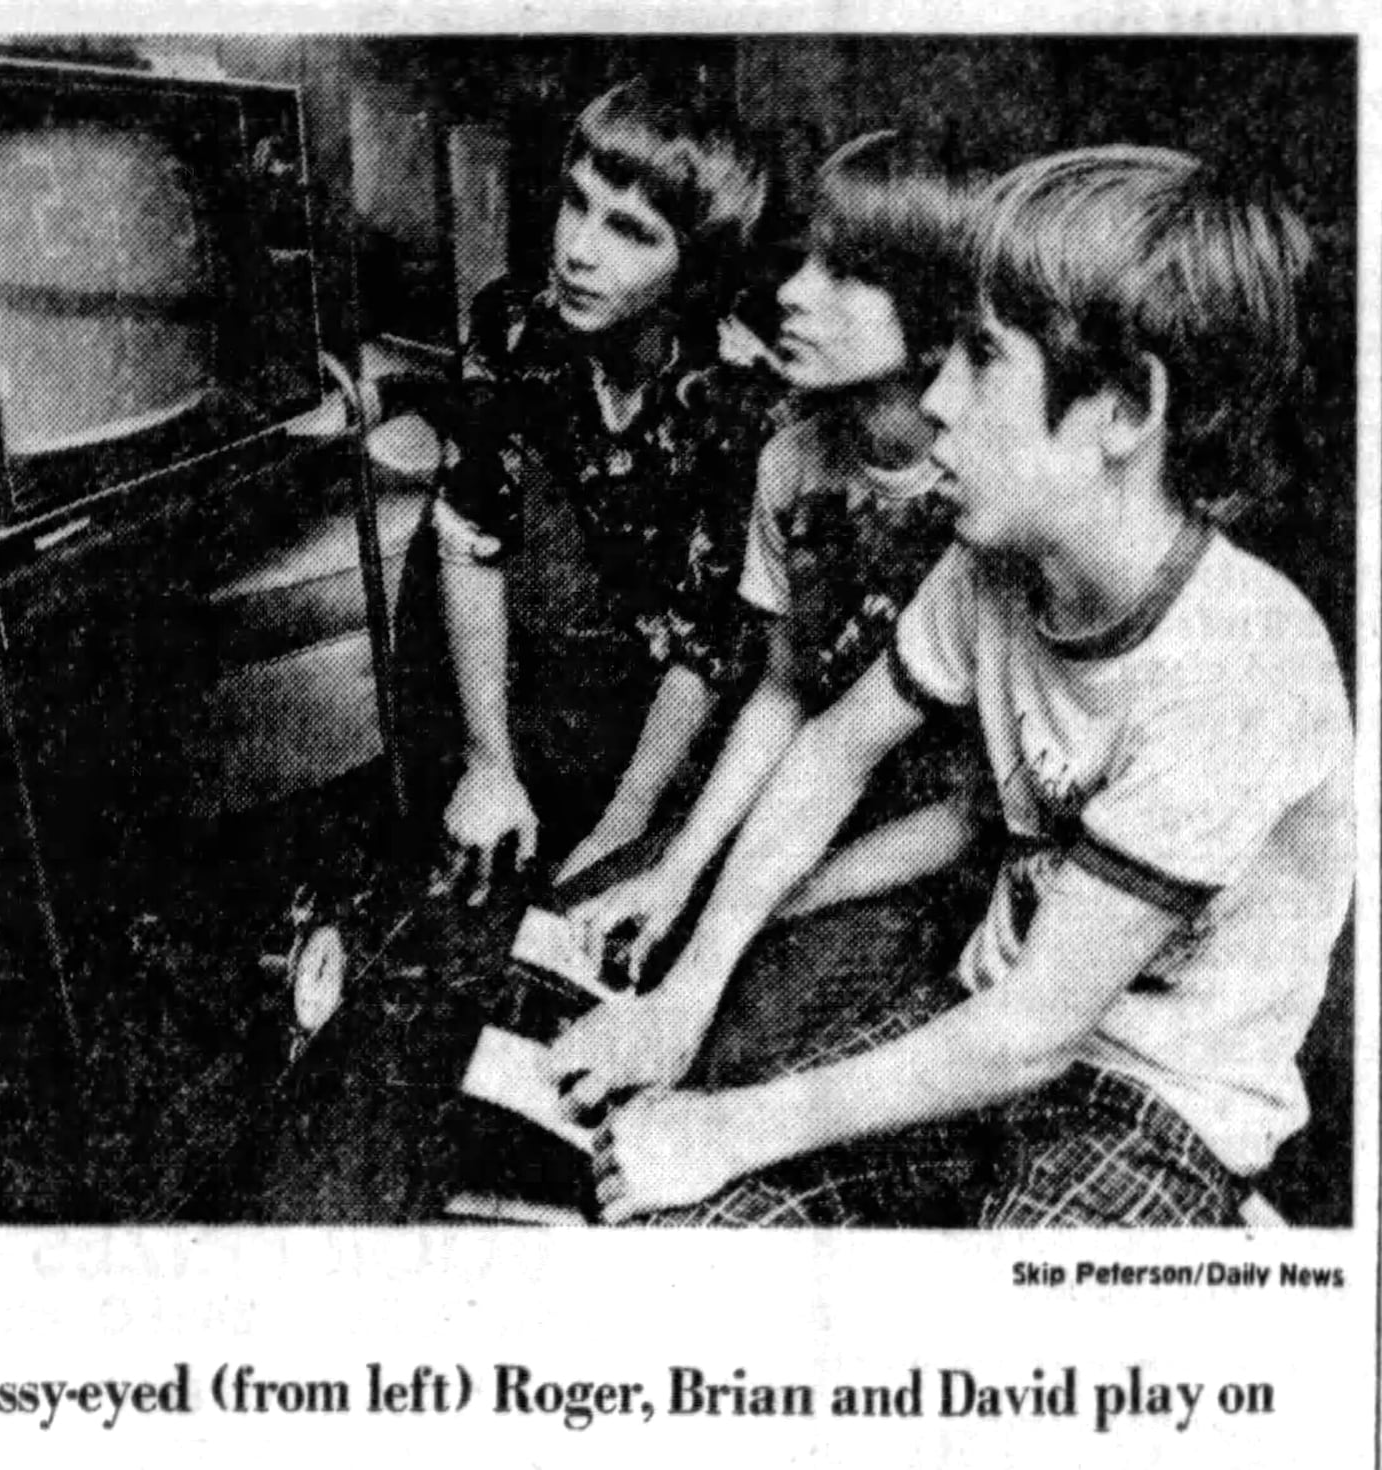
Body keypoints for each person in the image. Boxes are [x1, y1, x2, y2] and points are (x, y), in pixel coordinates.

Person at [546, 145, 1354, 1228]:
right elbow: (834, 746)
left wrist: (727, 1126)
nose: (935, 398)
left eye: (980, 358)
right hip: (976, 1021)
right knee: (682, 1232)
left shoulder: (1242, 663)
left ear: (1121, 408)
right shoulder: (990, 569)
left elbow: (1036, 1033)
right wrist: (682, 1002)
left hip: (1151, 1102)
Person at [571, 131, 990, 991]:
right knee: (581, 931)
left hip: (924, 865)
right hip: (795, 811)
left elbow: (972, 812)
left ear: (935, 317)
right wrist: (680, 872)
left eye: (842, 273)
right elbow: (785, 689)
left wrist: (769, 898)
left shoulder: (991, 497)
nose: (792, 294)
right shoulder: (792, 462)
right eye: (804, 262)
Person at [410, 79, 778, 902]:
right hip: (528, 667)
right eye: (575, 204)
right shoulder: (513, 324)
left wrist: (624, 826)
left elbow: (705, 643)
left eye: (631, 233)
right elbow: (471, 531)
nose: (578, 249)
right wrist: (487, 762)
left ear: (696, 267)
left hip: (660, 720)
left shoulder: (739, 401)